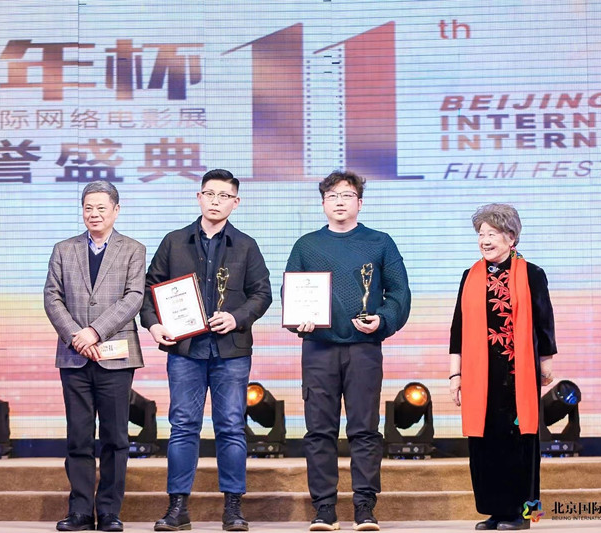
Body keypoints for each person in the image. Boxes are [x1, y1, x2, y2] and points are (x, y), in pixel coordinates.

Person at [140, 169, 272, 532]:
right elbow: (150, 289)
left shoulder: (246, 245)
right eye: (209, 194)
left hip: (231, 351)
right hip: (186, 350)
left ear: (235, 202)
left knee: (231, 426)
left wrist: (237, 317)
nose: (215, 201)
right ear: (198, 197)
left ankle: (233, 508)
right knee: (183, 426)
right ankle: (177, 507)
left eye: (223, 196)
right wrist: (153, 324)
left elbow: (262, 293)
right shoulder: (174, 242)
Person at [285, 170, 411, 532]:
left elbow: (399, 292)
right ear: (323, 203)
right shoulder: (306, 245)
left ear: (360, 202)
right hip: (318, 349)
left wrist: (383, 319)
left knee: (365, 429)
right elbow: (291, 293)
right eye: (332, 196)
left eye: (347, 196)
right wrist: (297, 321)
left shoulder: (380, 242)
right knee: (318, 431)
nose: (339, 202)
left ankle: (364, 506)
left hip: (364, 349)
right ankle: (324, 508)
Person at [44, 180, 146, 532]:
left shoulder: (133, 249)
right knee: (79, 436)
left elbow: (134, 297)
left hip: (116, 357)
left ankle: (110, 512)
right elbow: (52, 297)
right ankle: (80, 511)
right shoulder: (63, 249)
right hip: (74, 355)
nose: (94, 214)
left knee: (116, 438)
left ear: (116, 210)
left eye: (102, 207)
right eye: (88, 207)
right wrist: (77, 336)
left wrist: (95, 331)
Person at [449, 203, 556, 531]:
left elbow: (544, 323)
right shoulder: (470, 277)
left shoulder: (532, 274)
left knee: (521, 445)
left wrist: (546, 364)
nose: (485, 240)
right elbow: (457, 329)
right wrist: (455, 374)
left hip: (518, 373)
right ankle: (495, 512)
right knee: (485, 445)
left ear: (511, 237)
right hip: (480, 376)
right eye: (481, 234)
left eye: (492, 234)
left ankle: (524, 517)